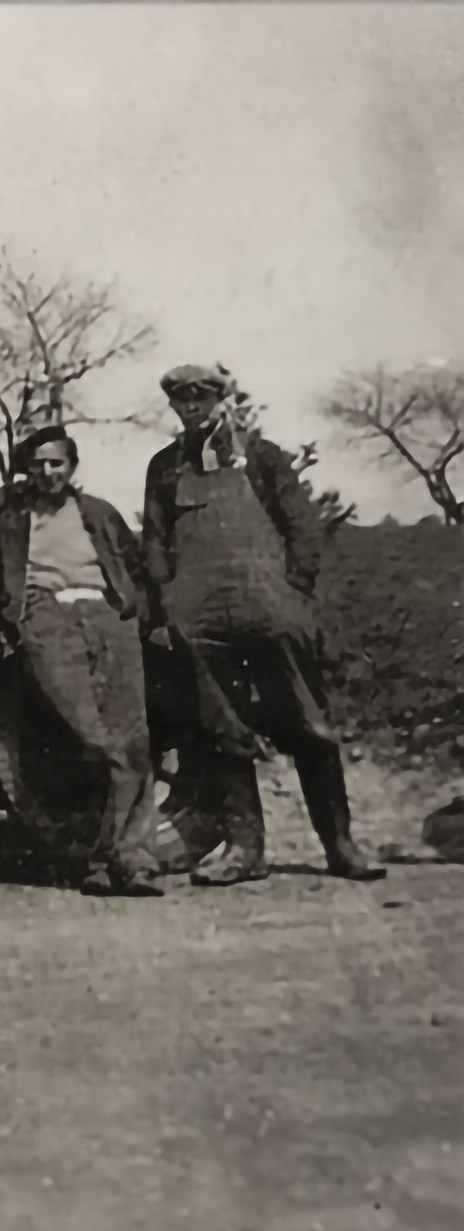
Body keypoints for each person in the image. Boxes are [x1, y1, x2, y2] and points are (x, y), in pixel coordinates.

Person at [141, 363, 383, 884]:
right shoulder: (164, 466)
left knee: (309, 727)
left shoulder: (262, 456)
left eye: (200, 398)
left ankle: (341, 846)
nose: (190, 407)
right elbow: (155, 544)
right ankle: (244, 851)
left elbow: (303, 528)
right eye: (181, 399)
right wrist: (170, 606)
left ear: (219, 400)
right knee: (223, 731)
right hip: (202, 619)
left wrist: (293, 592)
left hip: (270, 611)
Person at [0, 426, 165, 896]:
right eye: (38, 464)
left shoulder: (97, 512)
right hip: (43, 614)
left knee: (132, 736)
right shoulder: (11, 516)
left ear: (72, 467)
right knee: (89, 734)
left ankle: (131, 860)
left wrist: (134, 616)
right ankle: (93, 854)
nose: (47, 472)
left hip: (106, 614)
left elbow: (133, 566)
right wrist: (3, 626)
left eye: (56, 463)